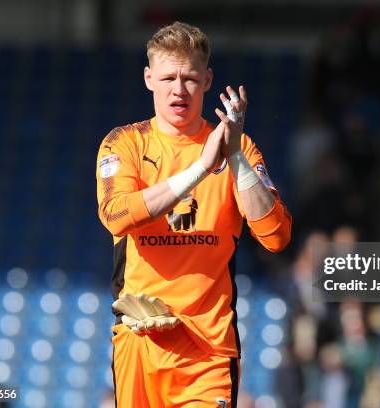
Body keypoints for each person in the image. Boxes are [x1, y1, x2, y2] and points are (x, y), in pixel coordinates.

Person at [95, 22, 292, 407]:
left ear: (207, 80)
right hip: (139, 342)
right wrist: (200, 169)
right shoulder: (125, 143)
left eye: (190, 78)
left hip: (208, 350)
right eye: (168, 77)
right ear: (149, 78)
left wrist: (233, 159)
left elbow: (276, 236)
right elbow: (117, 215)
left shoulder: (238, 148)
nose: (178, 89)